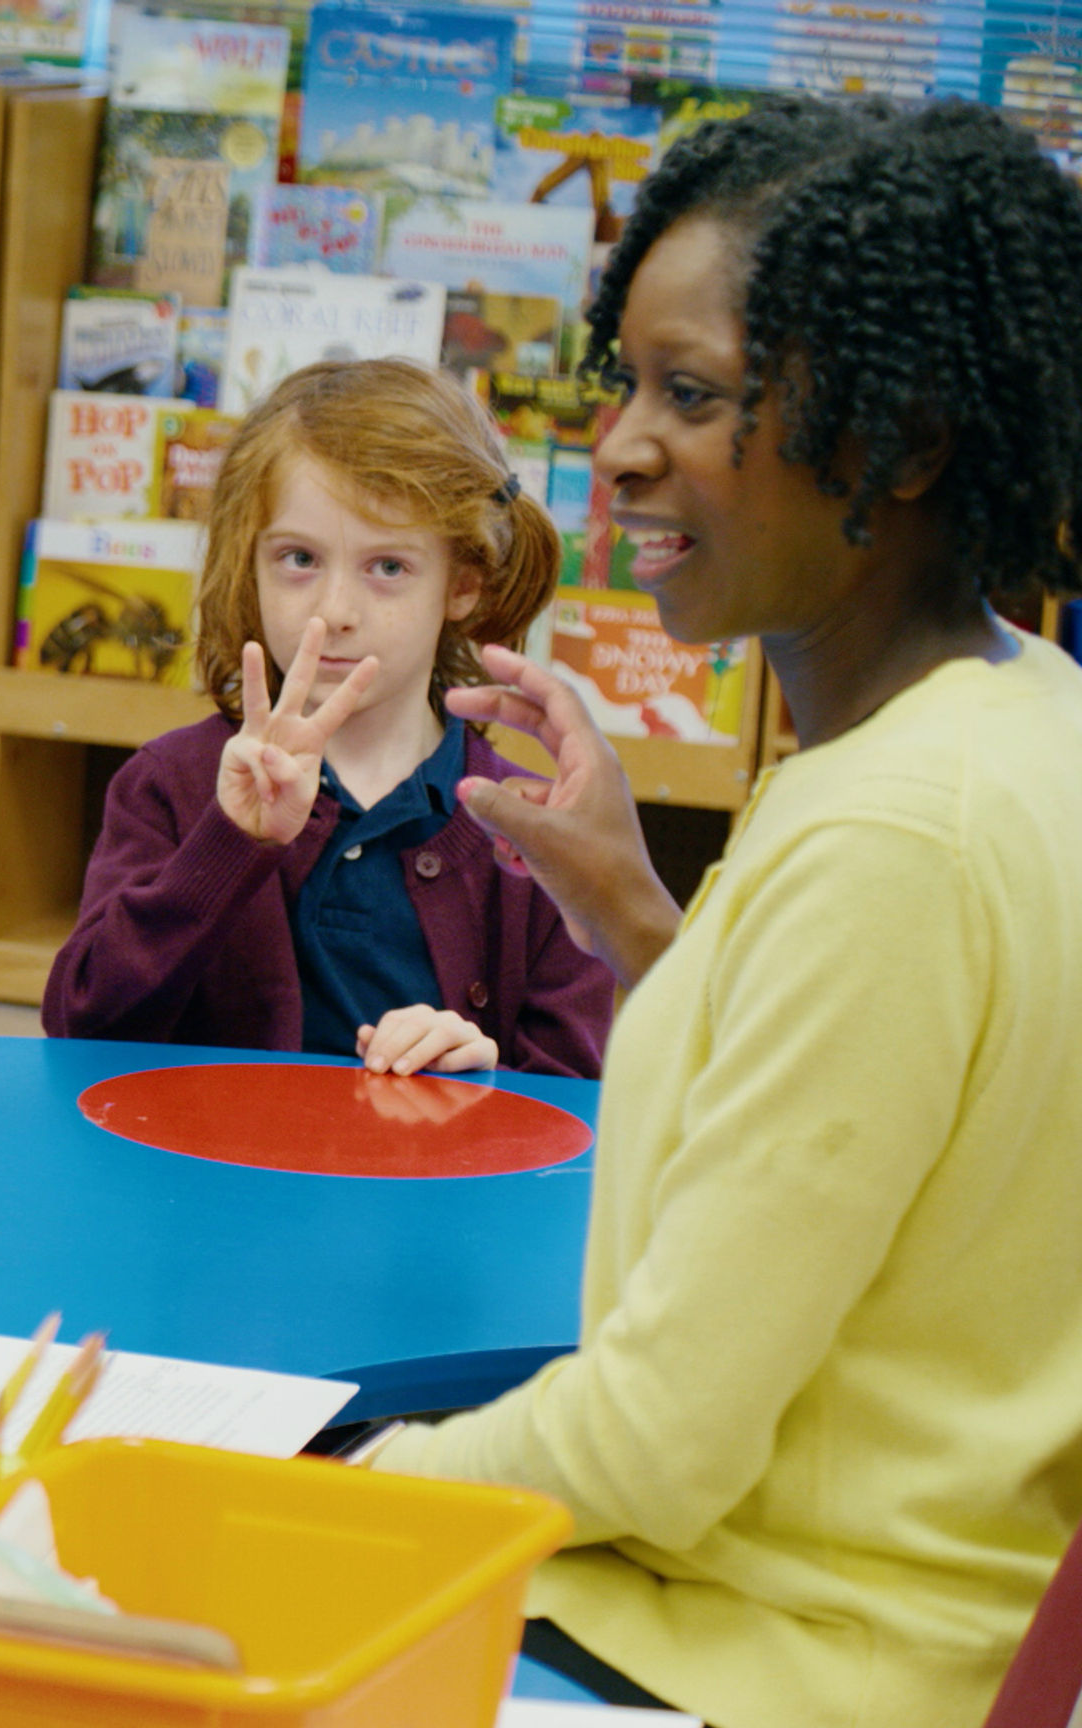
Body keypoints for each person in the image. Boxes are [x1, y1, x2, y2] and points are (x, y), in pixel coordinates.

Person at [359, 96, 1082, 1728]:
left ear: (901, 444)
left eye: (686, 393)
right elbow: (881, 1127)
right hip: (915, 1614)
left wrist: (341, 1478)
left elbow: (653, 1443)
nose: (616, 442)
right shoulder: (1022, 715)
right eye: (623, 381)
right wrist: (631, 909)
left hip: (781, 1654)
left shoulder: (894, 831)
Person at [42, 358, 614, 1078]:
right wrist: (226, 845)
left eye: (388, 568)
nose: (335, 612)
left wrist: (486, 1078)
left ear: (463, 584)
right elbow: (78, 1027)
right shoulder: (171, 785)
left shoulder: (538, 829)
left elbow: (570, 1118)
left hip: (430, 1191)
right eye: (299, 558)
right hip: (212, 1187)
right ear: (245, 565)